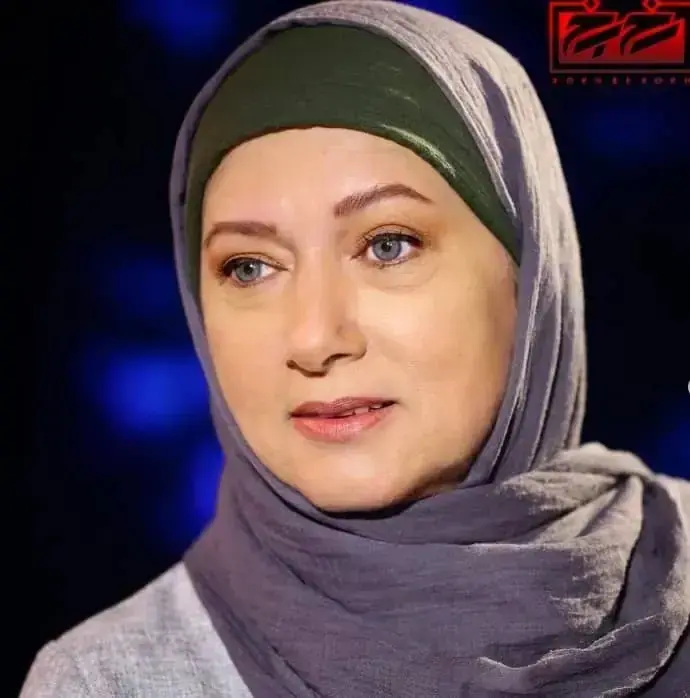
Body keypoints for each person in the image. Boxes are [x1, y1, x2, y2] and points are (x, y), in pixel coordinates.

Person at [21, 1, 690, 696]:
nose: (315, 338)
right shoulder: (108, 680)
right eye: (249, 267)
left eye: (388, 245)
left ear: (532, 273)